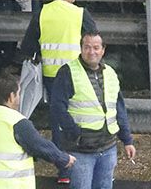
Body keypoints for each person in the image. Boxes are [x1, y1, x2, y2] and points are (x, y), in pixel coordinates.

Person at [18, 0, 99, 177]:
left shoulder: (41, 13)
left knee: (58, 119)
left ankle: (63, 169)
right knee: (83, 114)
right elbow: (94, 40)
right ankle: (85, 162)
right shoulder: (80, 13)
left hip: (51, 75)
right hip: (77, 73)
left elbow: (28, 46)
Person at [50, 33, 136, 189]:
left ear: (103, 50)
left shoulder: (110, 73)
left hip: (108, 147)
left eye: (96, 47)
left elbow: (118, 109)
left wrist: (127, 140)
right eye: (87, 47)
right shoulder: (68, 72)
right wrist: (74, 132)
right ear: (81, 49)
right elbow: (57, 107)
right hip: (81, 149)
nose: (91, 52)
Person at [0, 70, 74, 189]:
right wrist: (63, 159)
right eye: (18, 93)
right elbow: (39, 145)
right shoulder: (16, 121)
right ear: (11, 96)